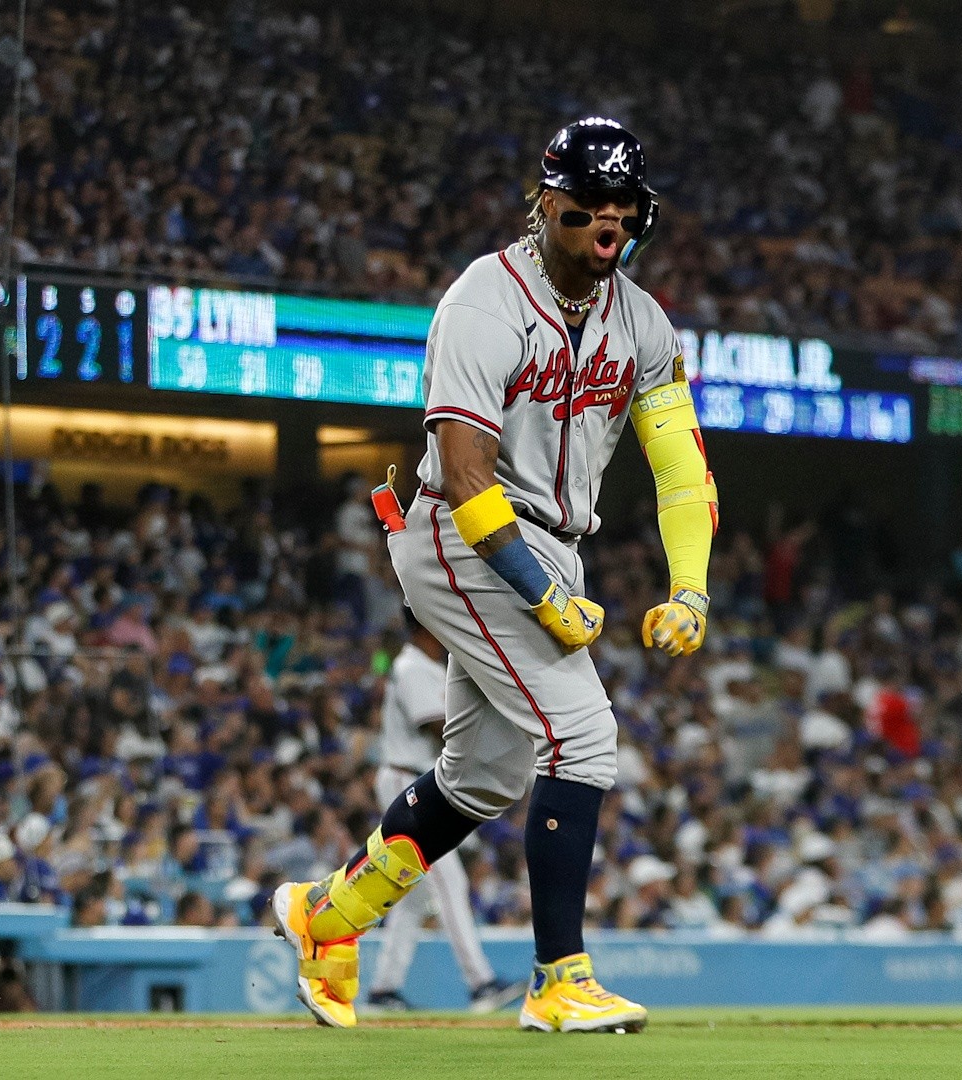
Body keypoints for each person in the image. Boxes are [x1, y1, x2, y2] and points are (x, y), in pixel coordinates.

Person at [272, 118, 717, 1033]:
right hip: (459, 531)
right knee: (584, 733)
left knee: (482, 776)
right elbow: (467, 468)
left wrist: (690, 588)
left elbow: (681, 467)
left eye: (621, 207)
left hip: (555, 540)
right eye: (586, 206)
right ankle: (559, 978)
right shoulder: (485, 298)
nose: (605, 221)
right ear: (545, 204)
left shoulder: (644, 320)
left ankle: (328, 917)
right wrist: (540, 591)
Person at [363, 613, 523, 1014]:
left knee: (415, 897)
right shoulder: (410, 664)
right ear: (422, 626)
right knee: (449, 880)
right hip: (405, 779)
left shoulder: (428, 666)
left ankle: (384, 989)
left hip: (417, 779)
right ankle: (481, 983)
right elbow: (438, 726)